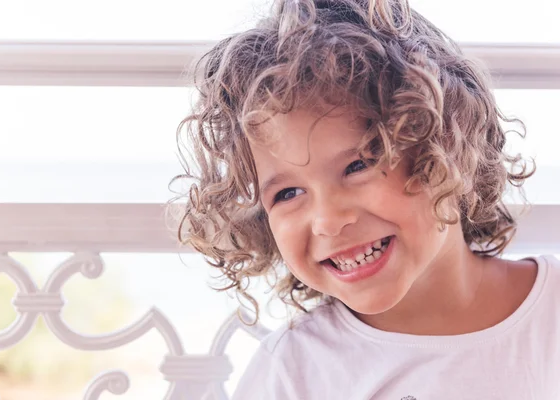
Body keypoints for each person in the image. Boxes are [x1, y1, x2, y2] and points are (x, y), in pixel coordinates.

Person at [172, 0, 560, 398]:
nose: (327, 219)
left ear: (445, 147)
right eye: (288, 193)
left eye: (358, 166)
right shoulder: (293, 373)